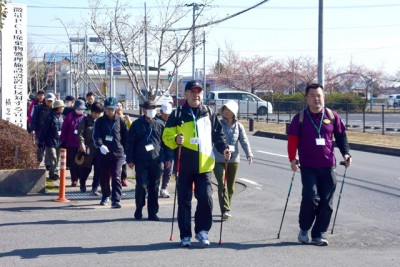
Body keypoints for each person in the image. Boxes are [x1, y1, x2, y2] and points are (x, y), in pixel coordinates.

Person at [162, 80, 231, 247]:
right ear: (185, 95)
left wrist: (224, 149)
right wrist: (176, 139)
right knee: (184, 201)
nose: (196, 95)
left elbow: (218, 136)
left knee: (206, 198)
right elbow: (166, 136)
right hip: (184, 165)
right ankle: (185, 235)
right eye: (192, 92)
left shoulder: (209, 113)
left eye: (199, 91)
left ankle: (202, 231)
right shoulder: (178, 114)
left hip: (205, 165)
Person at [287, 83, 352, 246]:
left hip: (328, 165)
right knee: (310, 197)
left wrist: (346, 153)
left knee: (326, 202)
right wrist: (292, 159)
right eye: (313, 96)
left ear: (324, 97)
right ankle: (304, 228)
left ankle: (318, 234)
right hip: (308, 166)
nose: (317, 99)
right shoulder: (300, 118)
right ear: (306, 99)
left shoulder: (332, 115)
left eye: (319, 95)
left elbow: (341, 136)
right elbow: (293, 140)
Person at [126, 100, 171, 221]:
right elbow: (130, 143)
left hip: (157, 160)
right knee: (141, 185)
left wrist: (168, 158)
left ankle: (153, 213)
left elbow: (167, 143)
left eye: (154, 108)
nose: (151, 110)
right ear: (144, 110)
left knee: (154, 187)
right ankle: (139, 208)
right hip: (141, 160)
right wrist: (129, 159)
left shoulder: (160, 124)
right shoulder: (136, 125)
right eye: (149, 108)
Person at [213, 100, 253, 220]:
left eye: (228, 109)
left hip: (234, 159)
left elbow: (244, 141)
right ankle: (225, 209)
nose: (226, 112)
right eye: (224, 109)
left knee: (230, 186)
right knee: (222, 183)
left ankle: (227, 206)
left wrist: (249, 154)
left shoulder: (239, 126)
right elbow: (213, 139)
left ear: (234, 112)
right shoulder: (218, 124)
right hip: (219, 158)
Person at [92, 97, 128, 208]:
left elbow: (126, 137)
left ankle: (116, 199)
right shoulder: (100, 121)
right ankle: (105, 195)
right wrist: (100, 145)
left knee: (116, 176)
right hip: (103, 153)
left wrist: (126, 152)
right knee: (104, 176)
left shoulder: (121, 120)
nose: (110, 111)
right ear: (105, 109)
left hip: (117, 153)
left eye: (112, 109)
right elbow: (96, 136)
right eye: (108, 109)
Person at [77, 102, 104, 194]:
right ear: (91, 111)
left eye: (99, 113)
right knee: (86, 168)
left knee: (98, 169)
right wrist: (82, 144)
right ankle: (82, 183)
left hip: (99, 149)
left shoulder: (102, 121)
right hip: (88, 149)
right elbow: (80, 133)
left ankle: (95, 188)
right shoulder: (85, 120)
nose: (97, 115)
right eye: (95, 112)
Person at [60, 99, 87, 188]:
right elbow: (64, 129)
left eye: (81, 109)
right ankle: (74, 179)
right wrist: (63, 141)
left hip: (82, 145)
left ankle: (80, 178)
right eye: (78, 109)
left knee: (81, 163)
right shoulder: (69, 117)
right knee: (72, 163)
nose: (80, 110)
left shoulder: (86, 117)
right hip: (71, 144)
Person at [38, 100, 65, 181]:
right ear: (58, 108)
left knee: (57, 158)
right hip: (50, 141)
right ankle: (54, 173)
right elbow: (44, 130)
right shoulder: (50, 117)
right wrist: (41, 140)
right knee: (53, 158)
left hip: (59, 141)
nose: (63, 108)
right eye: (62, 107)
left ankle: (52, 174)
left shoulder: (61, 117)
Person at [30, 92, 56, 165]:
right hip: (40, 132)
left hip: (50, 133)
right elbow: (33, 119)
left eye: (51, 101)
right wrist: (33, 129)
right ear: (45, 100)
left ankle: (48, 165)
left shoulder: (54, 110)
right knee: (39, 150)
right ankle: (37, 163)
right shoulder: (38, 108)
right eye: (48, 100)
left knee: (50, 150)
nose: (49, 102)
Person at [157, 103, 173, 198]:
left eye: (168, 114)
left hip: (170, 149)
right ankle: (157, 187)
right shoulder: (156, 122)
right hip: (159, 150)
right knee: (160, 169)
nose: (167, 116)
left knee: (169, 170)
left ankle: (164, 188)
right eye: (165, 113)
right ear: (161, 112)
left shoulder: (172, 122)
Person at [116, 101, 132, 187]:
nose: (118, 107)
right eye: (117, 106)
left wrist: (128, 121)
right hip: (116, 141)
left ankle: (123, 179)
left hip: (124, 142)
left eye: (120, 106)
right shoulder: (113, 118)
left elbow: (132, 128)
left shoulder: (125, 117)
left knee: (123, 162)